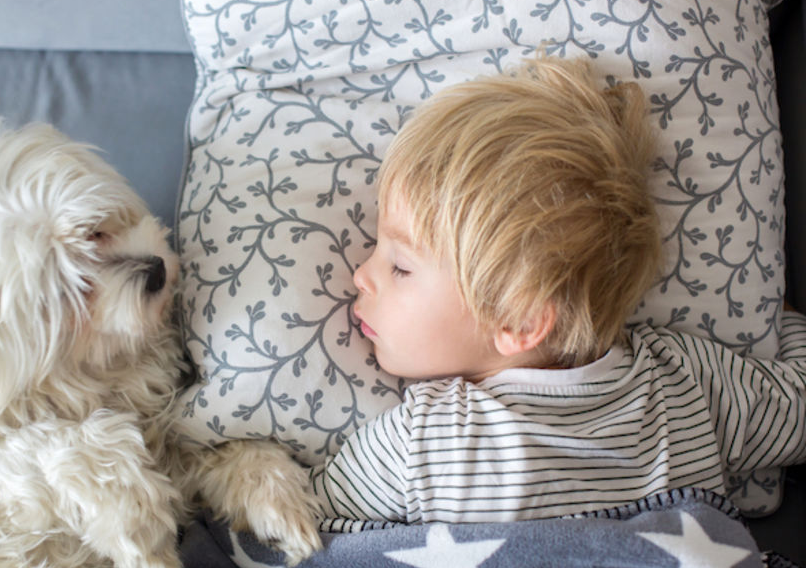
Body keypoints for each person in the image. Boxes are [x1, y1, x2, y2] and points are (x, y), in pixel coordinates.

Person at [308, 56, 806, 523]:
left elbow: (294, 531)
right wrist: (782, 314)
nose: (361, 274)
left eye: (400, 266)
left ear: (520, 320)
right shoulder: (687, 382)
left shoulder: (422, 444)